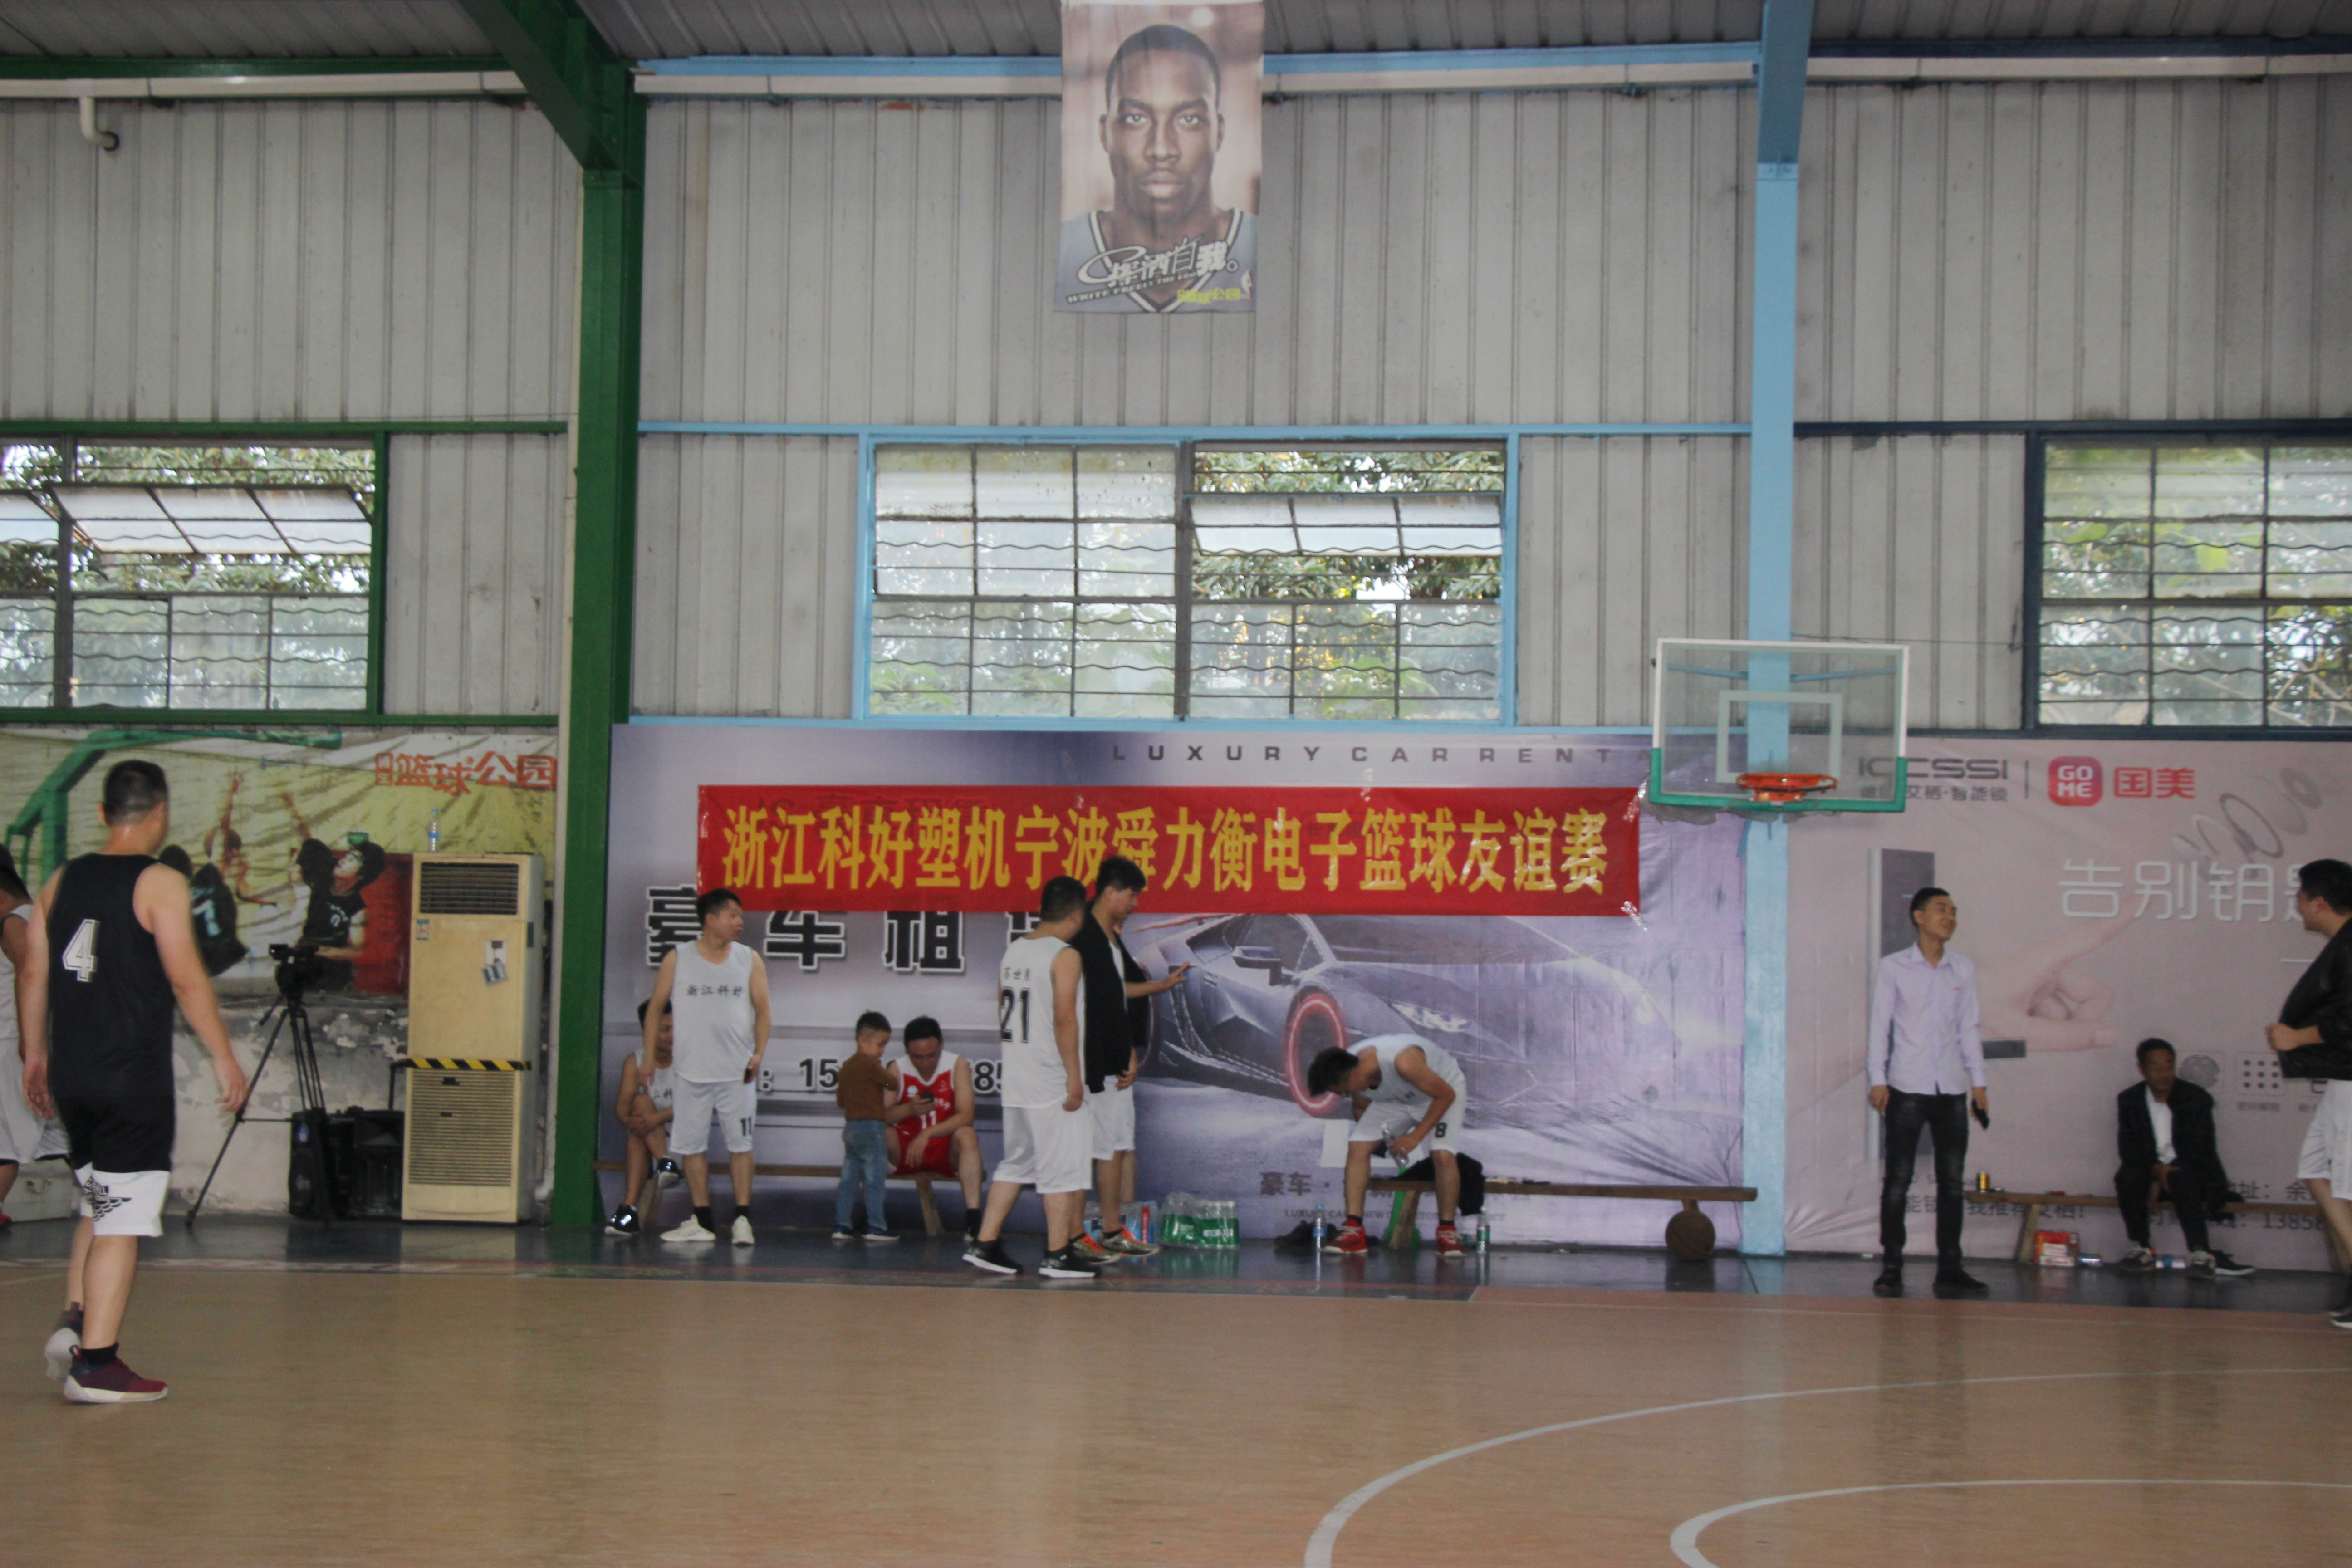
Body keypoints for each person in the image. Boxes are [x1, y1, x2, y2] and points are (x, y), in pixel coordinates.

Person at [17, 760, 248, 1403]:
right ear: (161, 814)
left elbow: (32, 972)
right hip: (130, 1082)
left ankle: (75, 1323)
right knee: (122, 1219)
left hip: (73, 1077)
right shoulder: (160, 882)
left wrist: (34, 1056)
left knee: (97, 1202)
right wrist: (224, 1057)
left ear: (101, 813)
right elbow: (186, 978)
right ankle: (97, 1366)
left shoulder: (62, 879)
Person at [1056, 23, 1257, 314]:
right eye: (1136, 119)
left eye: (1189, 119)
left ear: (1219, 133)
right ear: (1104, 133)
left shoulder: (1258, 246)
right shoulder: (1065, 252)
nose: (1161, 149)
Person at [965, 877, 1098, 1279]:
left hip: (1019, 1077)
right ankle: (1058, 1254)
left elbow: (1002, 1010)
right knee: (1060, 1168)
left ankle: (985, 1243)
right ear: (1076, 914)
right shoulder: (1065, 955)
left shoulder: (1015, 949)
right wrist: (1074, 1076)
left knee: (1017, 1163)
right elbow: (1065, 1019)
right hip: (1050, 1078)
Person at [1864, 887, 1990, 1298]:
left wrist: (1979, 1082)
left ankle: (1950, 1267)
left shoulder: (1962, 969)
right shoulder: (1894, 967)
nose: (1950, 918)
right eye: (1941, 910)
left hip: (1951, 1088)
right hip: (1906, 1086)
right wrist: (1878, 1078)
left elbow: (1969, 1028)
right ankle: (1892, 1265)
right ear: (1919, 917)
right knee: (1898, 1180)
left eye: (1953, 911)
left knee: (1952, 1182)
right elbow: (1880, 1024)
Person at [1068, 856, 1186, 1261]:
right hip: (1093, 1064)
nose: (1135, 904)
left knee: (1117, 1147)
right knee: (1088, 1150)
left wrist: (1159, 987)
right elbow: (1085, 1005)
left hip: (1115, 1061)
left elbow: (1117, 992)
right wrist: (1103, 1057)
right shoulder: (1082, 937)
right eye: (1132, 895)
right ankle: (1074, 1236)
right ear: (1109, 892)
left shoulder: (1110, 939)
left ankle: (1112, 1231)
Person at [641, 887, 770, 1247]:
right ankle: (703, 1220)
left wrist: (759, 1054)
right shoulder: (678, 958)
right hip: (690, 1071)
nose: (740, 922)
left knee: (740, 1144)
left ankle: (743, 1219)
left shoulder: (749, 959)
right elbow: (655, 1008)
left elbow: (763, 1011)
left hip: (737, 1072)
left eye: (741, 915)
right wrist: (649, 1056)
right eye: (733, 915)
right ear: (711, 920)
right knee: (692, 1146)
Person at [2267, 857, 2352, 1329]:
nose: (2297, 906)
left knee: (2345, 1183)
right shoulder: (2343, 945)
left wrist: (2297, 1038)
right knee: (2316, 1170)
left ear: (2319, 902)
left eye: (2300, 897)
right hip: (2343, 1079)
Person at [1305, 1035, 1470, 1258]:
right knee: (1358, 1147)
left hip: (1442, 1093)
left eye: (1341, 1091)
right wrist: (1380, 1142)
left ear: (1352, 1076)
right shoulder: (1351, 1069)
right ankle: (1354, 1231)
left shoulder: (1404, 1062)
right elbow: (1361, 1108)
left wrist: (1415, 1136)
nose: (1342, 1096)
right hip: (1395, 1101)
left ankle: (1447, 1232)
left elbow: (1446, 1095)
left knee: (1442, 1155)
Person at [2114, 1038, 2253, 1280]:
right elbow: (2129, 1148)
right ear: (2142, 1069)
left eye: (2169, 1065)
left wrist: (2167, 1172)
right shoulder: (2130, 1100)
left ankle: (2200, 1252)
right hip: (2150, 1171)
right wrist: (2156, 1172)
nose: (2164, 1073)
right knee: (2127, 1177)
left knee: (2182, 1178)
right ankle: (2140, 1247)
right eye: (2156, 1067)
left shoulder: (2195, 1098)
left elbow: (2201, 1149)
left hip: (2189, 1170)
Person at [0, 845, 66, 1230]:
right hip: (25, 1041)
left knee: (7, 1144)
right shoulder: (39, 915)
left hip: (14, 1044)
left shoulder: (13, 922)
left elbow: (28, 973)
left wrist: (29, 1040)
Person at [884, 1014, 986, 1247]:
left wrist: (929, 1133)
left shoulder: (958, 1066)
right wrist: (908, 1109)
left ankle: (973, 1219)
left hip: (944, 1148)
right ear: (906, 1050)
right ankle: (868, 1217)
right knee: (876, 1132)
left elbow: (967, 1116)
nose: (926, 1063)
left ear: (942, 1045)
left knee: (967, 1135)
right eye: (918, 1057)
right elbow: (883, 1114)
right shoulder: (894, 1070)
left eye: (932, 1055)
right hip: (907, 1149)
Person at [282, 791, 385, 987]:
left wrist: (321, 951)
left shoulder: (356, 908)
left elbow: (357, 951)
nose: (344, 859)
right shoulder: (325, 875)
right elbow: (308, 840)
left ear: (360, 876)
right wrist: (292, 807)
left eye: (352, 860)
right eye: (347, 855)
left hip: (333, 976)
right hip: (304, 967)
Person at [833, 1011, 919, 1244]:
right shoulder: (871, 1065)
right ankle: (877, 1226)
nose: (882, 1050)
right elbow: (892, 1082)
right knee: (875, 1178)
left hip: (851, 1127)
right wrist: (884, 1072)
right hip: (872, 1127)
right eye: (881, 1044)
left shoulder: (846, 1067)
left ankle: (842, 1225)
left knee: (849, 1178)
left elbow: (840, 1101)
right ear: (863, 1041)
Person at [605, 998, 684, 1237]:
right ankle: (664, 1164)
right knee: (639, 1107)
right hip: (651, 1141)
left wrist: (654, 1119)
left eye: (675, 1028)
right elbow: (623, 1106)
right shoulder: (636, 1061)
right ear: (647, 1032)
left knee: (641, 1119)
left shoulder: (688, 1059)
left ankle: (628, 1210)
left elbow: (692, 1107)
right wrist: (633, 1122)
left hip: (684, 1142)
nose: (672, 1035)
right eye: (665, 1030)